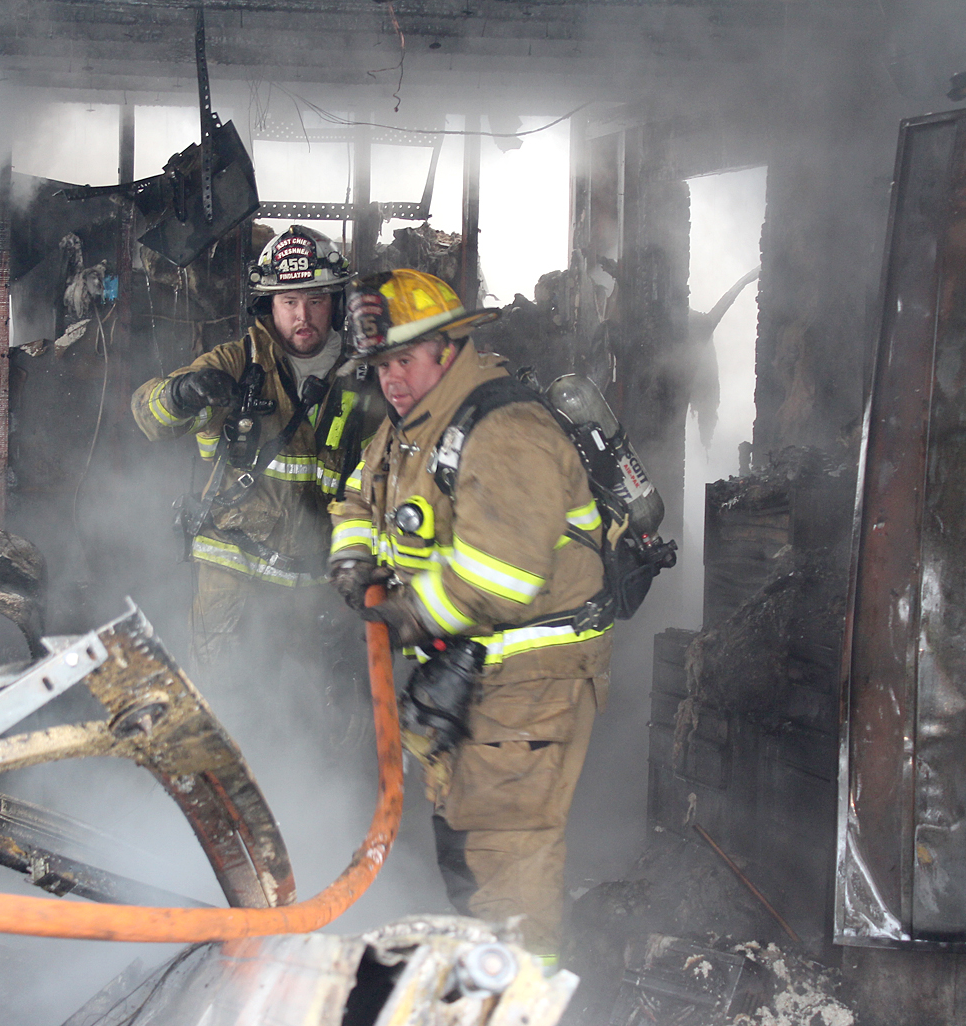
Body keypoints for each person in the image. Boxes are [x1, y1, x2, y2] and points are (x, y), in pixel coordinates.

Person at [327, 268, 611, 960]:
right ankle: (483, 984)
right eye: (378, 365)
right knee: (468, 851)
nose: (389, 380)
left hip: (529, 678)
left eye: (402, 360)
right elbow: (358, 499)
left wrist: (406, 617)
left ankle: (522, 997)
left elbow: (500, 576)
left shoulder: (505, 429)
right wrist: (351, 559)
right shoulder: (411, 426)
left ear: (448, 348)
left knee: (505, 859)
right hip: (470, 668)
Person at [131, 225, 384, 683]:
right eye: (289, 302)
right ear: (268, 305)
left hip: (312, 589)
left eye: (316, 299)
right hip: (231, 580)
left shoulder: (365, 380)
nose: (302, 315)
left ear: (338, 304)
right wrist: (181, 394)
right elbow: (149, 418)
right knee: (223, 702)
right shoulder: (236, 362)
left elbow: (379, 481)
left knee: (299, 712)